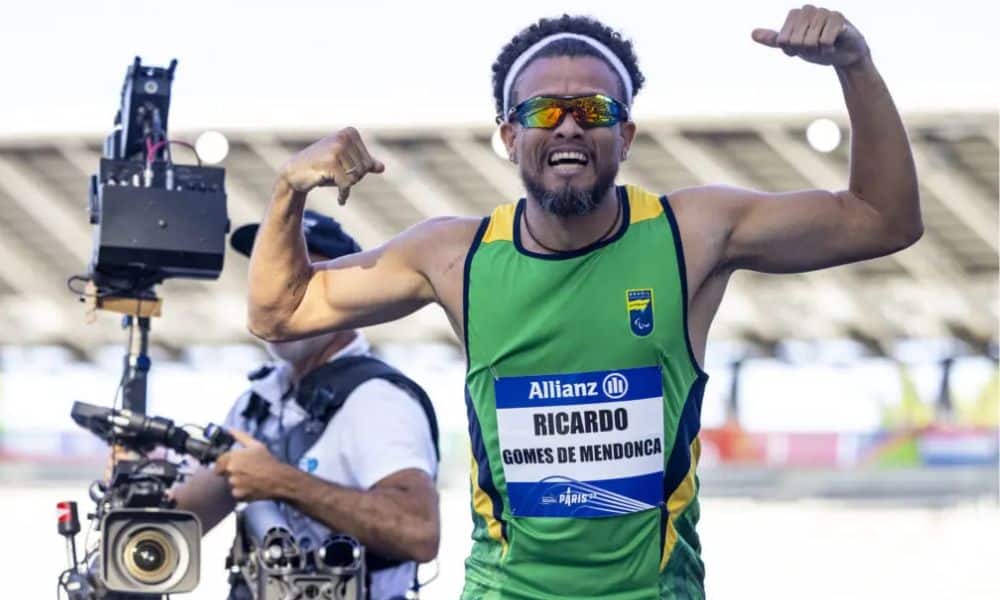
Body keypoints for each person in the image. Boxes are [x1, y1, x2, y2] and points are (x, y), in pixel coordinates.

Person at [245, 6, 922, 599]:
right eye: (544, 111)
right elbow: (279, 313)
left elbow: (882, 219)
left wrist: (854, 66)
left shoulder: (691, 234)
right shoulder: (457, 257)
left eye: (594, 111)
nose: (569, 126)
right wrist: (287, 189)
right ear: (510, 137)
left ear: (624, 136)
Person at [166, 211, 440, 600]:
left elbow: (420, 533)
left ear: (346, 293)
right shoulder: (256, 402)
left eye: (296, 277)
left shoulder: (377, 399)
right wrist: (142, 490)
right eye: (266, 276)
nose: (275, 292)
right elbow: (183, 521)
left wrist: (282, 482)